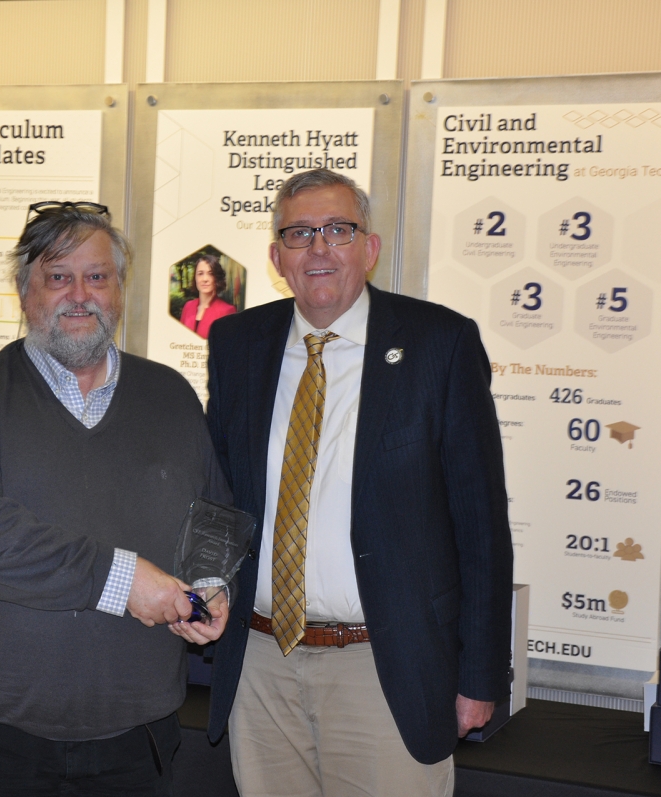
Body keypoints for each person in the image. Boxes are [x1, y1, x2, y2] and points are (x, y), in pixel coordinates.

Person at [190, 170, 513, 796]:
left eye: (338, 230)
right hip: (260, 662)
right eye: (299, 233)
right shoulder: (238, 343)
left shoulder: (439, 344)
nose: (318, 249)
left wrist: (480, 675)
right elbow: (217, 492)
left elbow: (481, 525)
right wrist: (202, 589)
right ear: (276, 256)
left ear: (369, 247)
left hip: (384, 665)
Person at [0, 201, 230, 796]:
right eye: (59, 277)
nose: (80, 294)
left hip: (135, 742)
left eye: (98, 276)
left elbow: (213, 513)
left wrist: (211, 581)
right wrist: (127, 580)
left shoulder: (170, 395)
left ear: (119, 289)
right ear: (25, 291)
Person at [178, 253, 236, 339]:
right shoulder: (188, 306)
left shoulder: (228, 311)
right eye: (200, 273)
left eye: (211, 273)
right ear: (195, 277)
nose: (205, 279)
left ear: (217, 278)